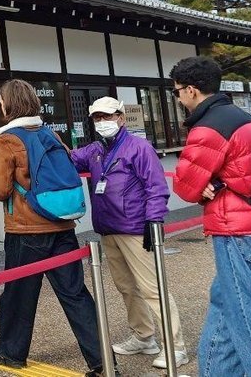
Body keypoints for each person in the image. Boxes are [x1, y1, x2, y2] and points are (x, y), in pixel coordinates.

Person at [170, 56, 251, 375]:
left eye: (177, 91)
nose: (178, 98)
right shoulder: (240, 116)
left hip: (238, 230)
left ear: (192, 90)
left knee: (248, 318)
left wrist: (203, 185)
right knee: (226, 306)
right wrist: (209, 181)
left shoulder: (209, 126)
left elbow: (185, 184)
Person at [0, 79, 108, 377]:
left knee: (18, 292)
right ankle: (102, 361)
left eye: (2, 100)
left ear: (8, 104)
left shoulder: (7, 141)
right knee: (75, 294)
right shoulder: (49, 133)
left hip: (25, 231)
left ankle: (12, 353)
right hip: (62, 225)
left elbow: (0, 190)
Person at [71, 97, 187, 369]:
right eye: (97, 117)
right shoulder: (96, 150)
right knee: (126, 287)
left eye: (108, 116)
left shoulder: (139, 147)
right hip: (108, 230)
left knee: (152, 288)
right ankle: (144, 336)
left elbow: (156, 187)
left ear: (121, 117)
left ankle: (176, 346)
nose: (103, 122)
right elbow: (69, 160)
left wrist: (153, 221)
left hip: (136, 229)